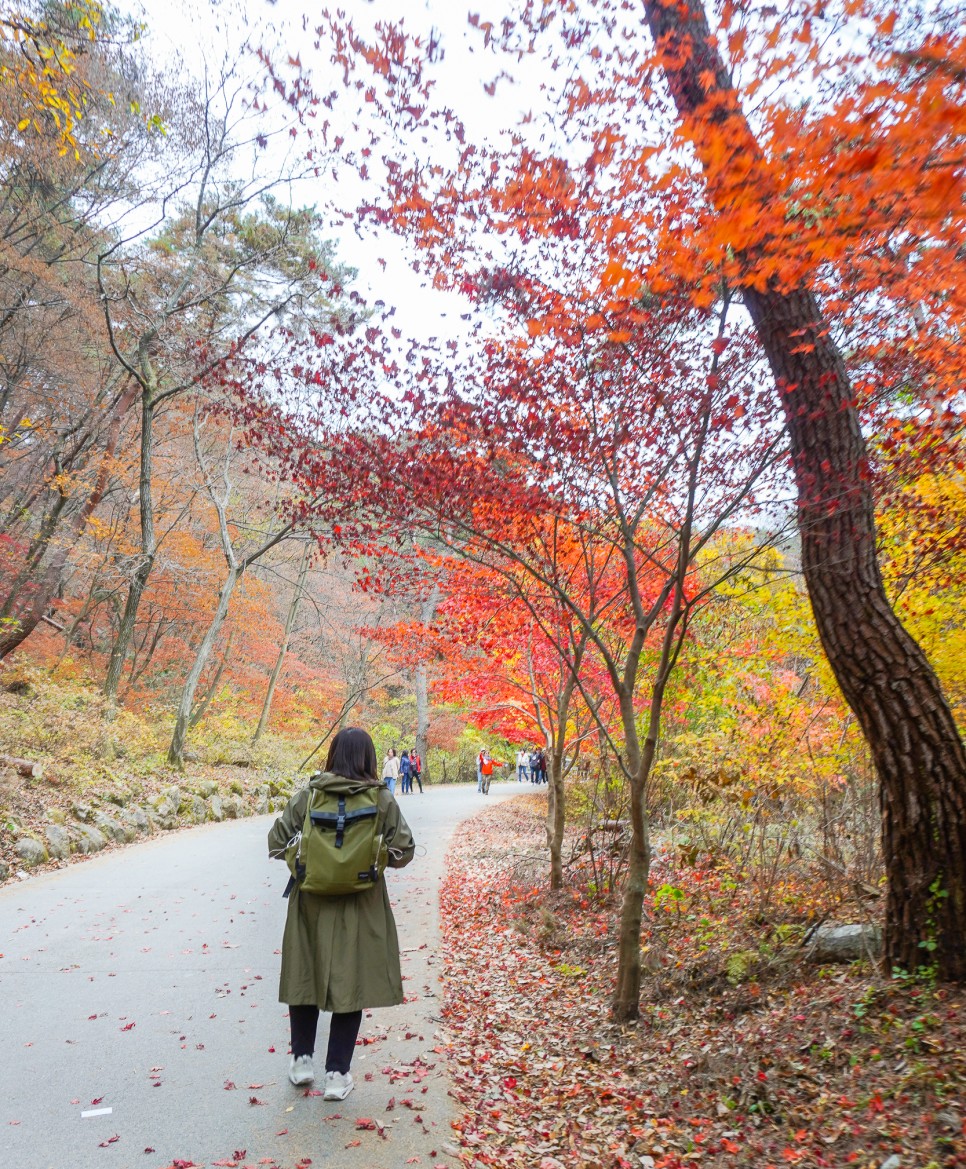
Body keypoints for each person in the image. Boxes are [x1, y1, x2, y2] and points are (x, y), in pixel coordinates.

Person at [268, 727, 415, 1101]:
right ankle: (337, 1075)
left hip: (309, 902)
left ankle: (301, 1063)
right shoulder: (381, 799)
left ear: (332, 754)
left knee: (305, 975)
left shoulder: (309, 794)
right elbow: (405, 850)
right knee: (353, 983)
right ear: (368, 757)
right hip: (361, 903)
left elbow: (275, 842)